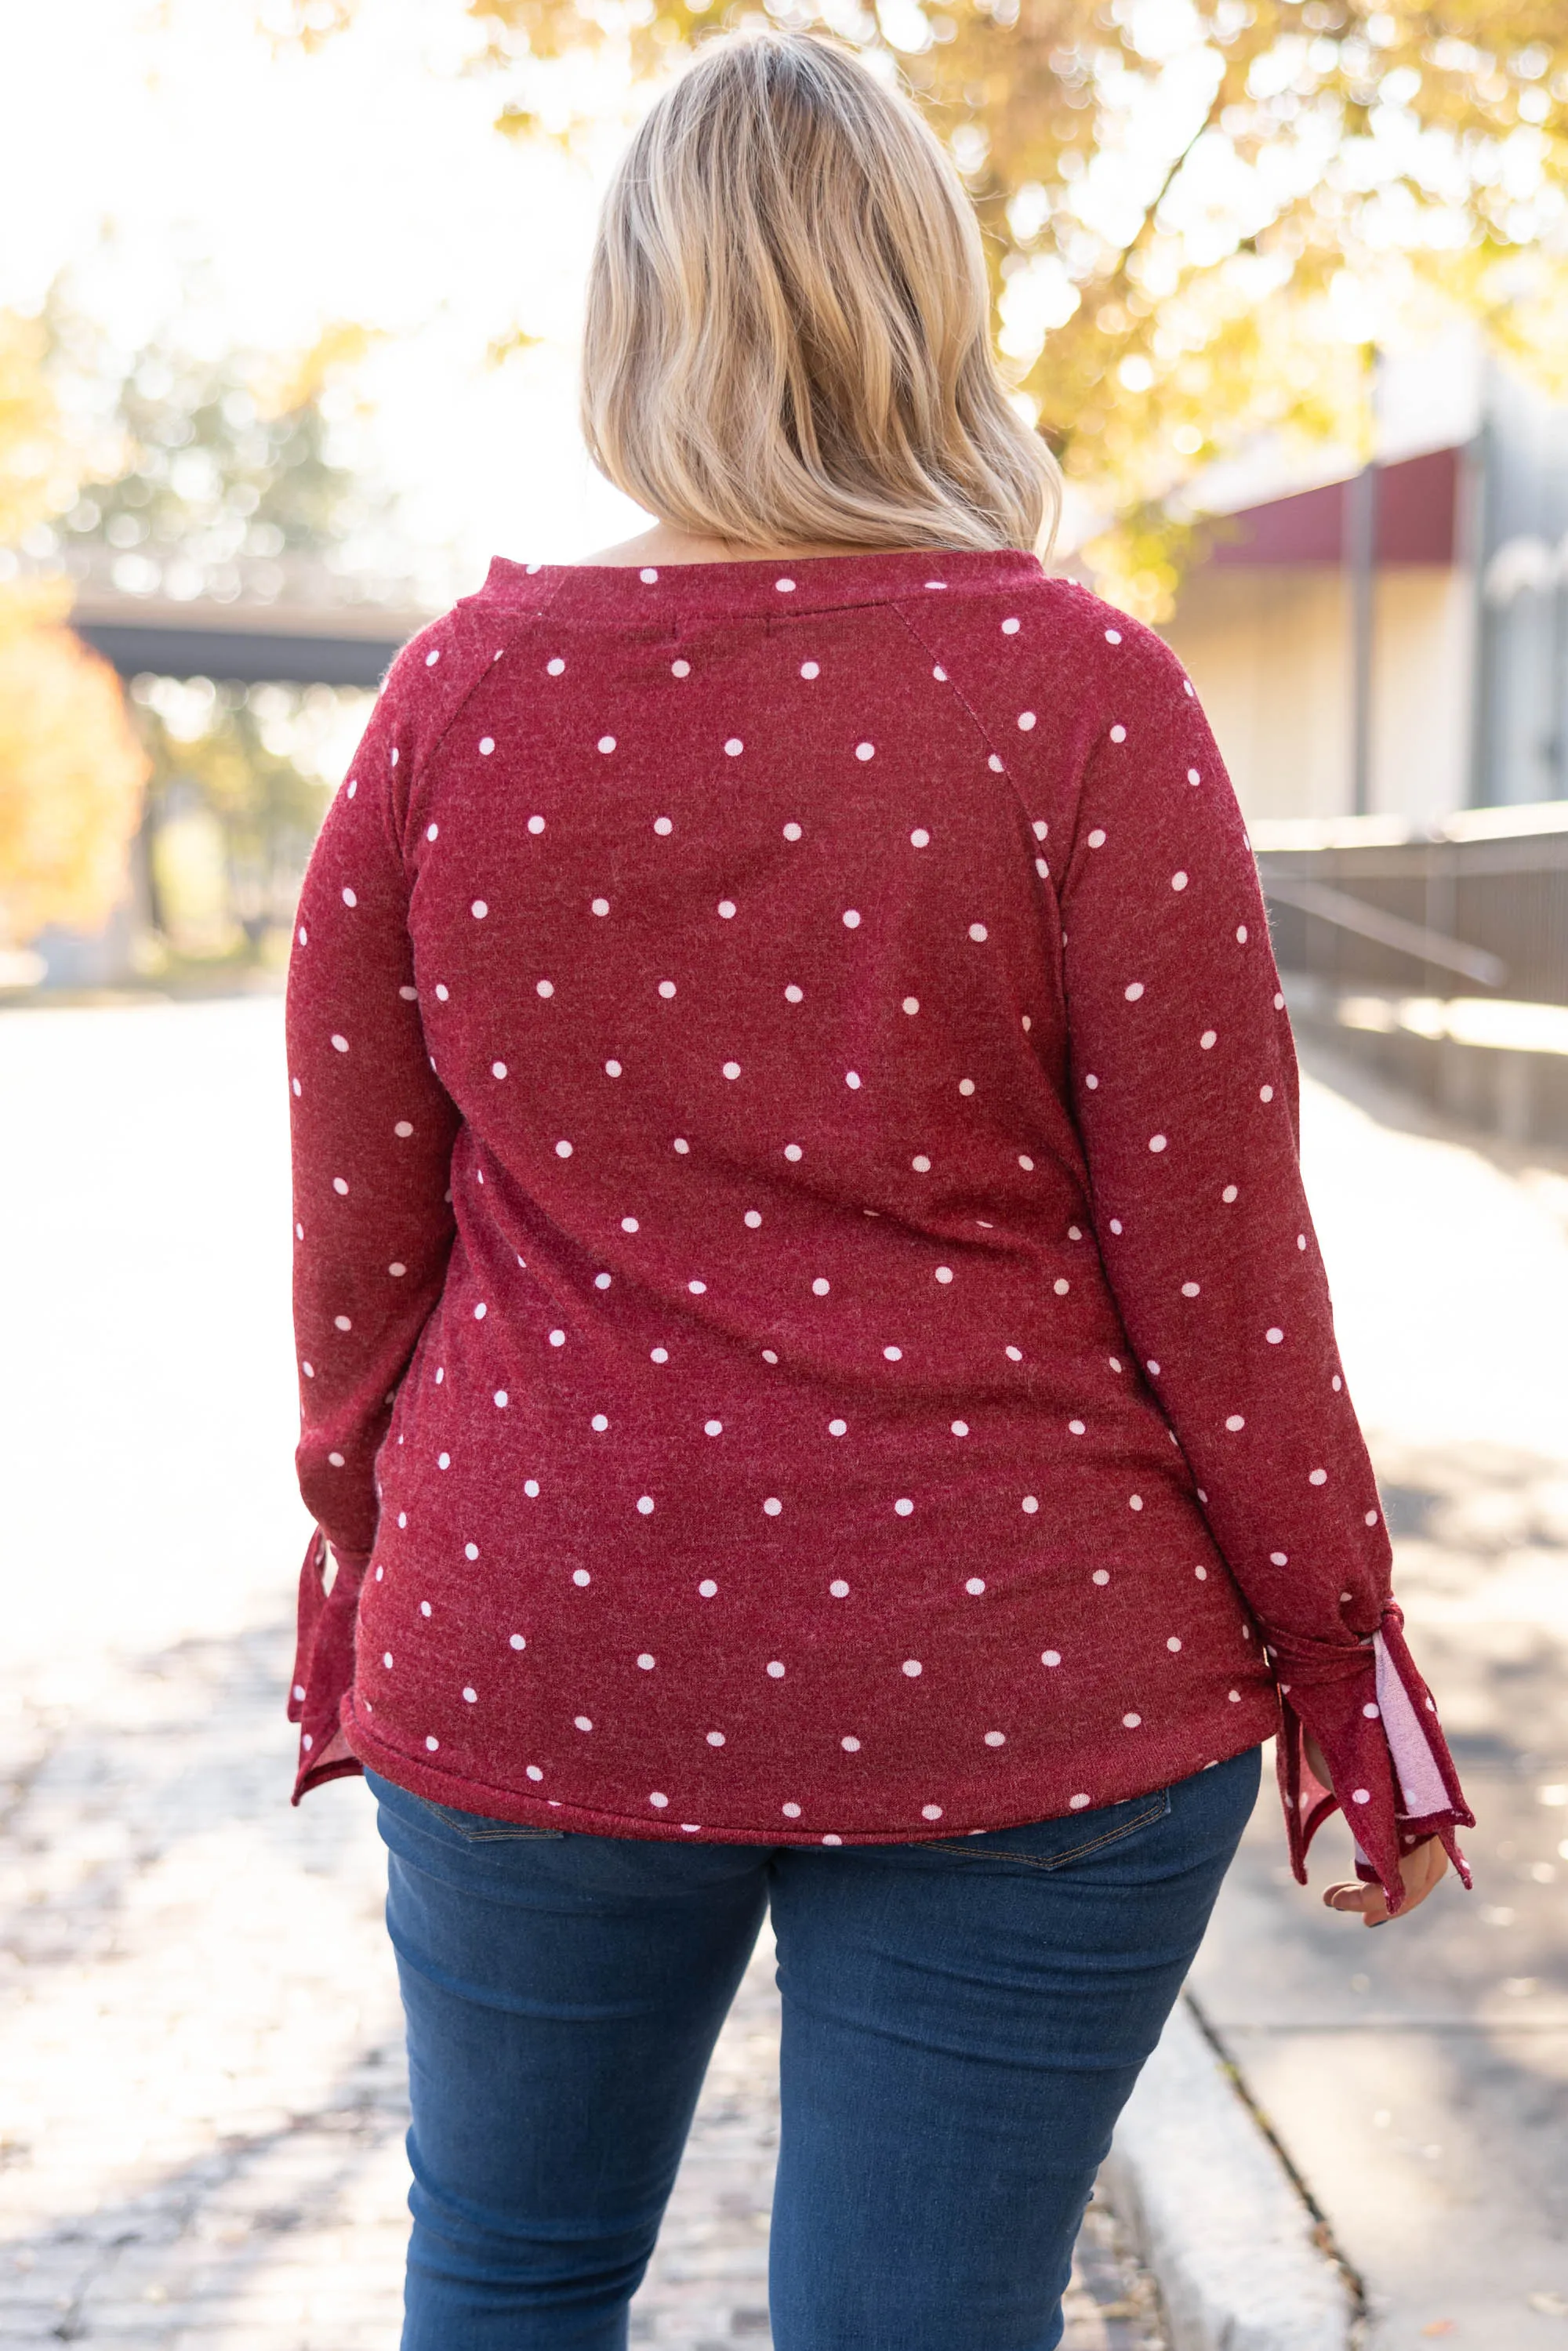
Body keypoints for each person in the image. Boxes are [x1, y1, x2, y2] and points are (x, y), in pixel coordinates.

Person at [284, 31, 1472, 2351]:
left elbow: (359, 1242)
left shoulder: (455, 701)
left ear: (634, 319)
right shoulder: (1086, 698)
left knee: (514, 2276)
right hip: (1030, 1658)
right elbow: (1224, 1264)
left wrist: (364, 1535)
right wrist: (1344, 1653)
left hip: (545, 1622)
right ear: (927, 306)